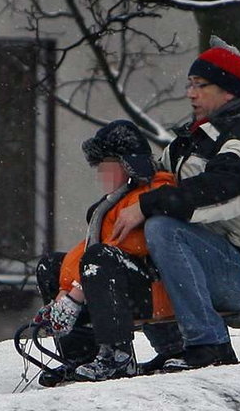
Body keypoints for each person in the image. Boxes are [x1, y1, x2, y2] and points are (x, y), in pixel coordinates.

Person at [109, 36, 240, 372]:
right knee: (144, 230)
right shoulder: (198, 136)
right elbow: (159, 178)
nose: (190, 93)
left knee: (163, 227)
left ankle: (210, 344)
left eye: (200, 85)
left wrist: (148, 204)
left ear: (229, 90)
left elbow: (222, 191)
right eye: (189, 84)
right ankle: (168, 345)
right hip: (213, 257)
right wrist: (123, 165)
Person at [34, 120, 176, 385]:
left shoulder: (154, 192)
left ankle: (117, 356)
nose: (100, 173)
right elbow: (87, 252)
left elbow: (129, 245)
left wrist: (75, 293)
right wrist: (66, 290)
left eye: (106, 165)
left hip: (155, 289)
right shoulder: (115, 202)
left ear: (128, 164)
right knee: (51, 264)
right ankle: (80, 356)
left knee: (101, 261)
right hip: (121, 285)